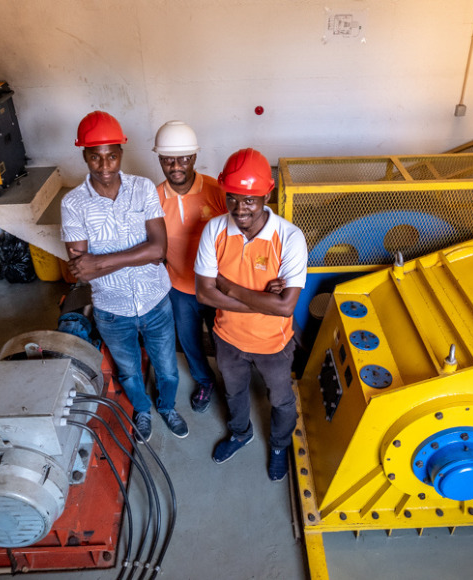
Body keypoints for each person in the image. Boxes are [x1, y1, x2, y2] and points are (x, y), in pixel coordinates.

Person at [61, 110, 188, 442]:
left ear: (121, 152)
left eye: (112, 156)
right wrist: (135, 255)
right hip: (111, 309)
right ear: (85, 156)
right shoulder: (73, 204)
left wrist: (100, 263)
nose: (105, 166)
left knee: (168, 369)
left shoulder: (142, 189)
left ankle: (167, 406)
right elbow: (82, 270)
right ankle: (143, 410)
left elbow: (158, 250)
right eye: (95, 157)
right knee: (129, 371)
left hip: (156, 300)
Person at [194, 148, 307, 481]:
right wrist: (261, 300)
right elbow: (204, 293)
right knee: (233, 392)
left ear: (266, 194)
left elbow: (286, 306)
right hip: (227, 339)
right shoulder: (214, 231)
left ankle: (278, 445)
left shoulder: (289, 238)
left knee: (282, 401)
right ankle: (240, 434)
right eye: (233, 198)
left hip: (273, 343)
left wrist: (228, 287)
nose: (240, 208)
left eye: (250, 200)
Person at [153, 121, 227, 413]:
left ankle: (231, 384)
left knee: (224, 340)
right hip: (179, 288)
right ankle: (204, 380)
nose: (176, 166)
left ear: (194, 157)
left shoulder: (216, 191)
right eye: (168, 159)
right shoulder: (154, 198)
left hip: (217, 285)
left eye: (183, 158)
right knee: (190, 341)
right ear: (160, 160)